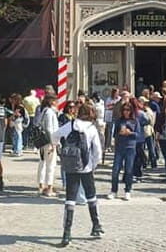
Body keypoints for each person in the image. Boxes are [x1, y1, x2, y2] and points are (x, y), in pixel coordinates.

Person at [52, 101, 103, 247]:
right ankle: (96, 225)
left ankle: (67, 233)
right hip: (86, 167)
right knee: (91, 196)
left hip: (71, 166)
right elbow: (97, 151)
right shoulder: (91, 128)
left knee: (70, 199)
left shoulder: (70, 124)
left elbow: (54, 136)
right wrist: (93, 165)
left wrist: (60, 148)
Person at [109, 99, 139, 200]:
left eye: (128, 110)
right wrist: (120, 133)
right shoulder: (119, 121)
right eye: (124, 110)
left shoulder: (135, 121)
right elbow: (114, 134)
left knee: (129, 170)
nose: (126, 111)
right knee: (115, 170)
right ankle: (114, 190)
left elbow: (138, 135)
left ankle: (128, 190)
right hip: (120, 147)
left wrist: (130, 133)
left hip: (130, 148)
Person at [36, 94, 59, 196]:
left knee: (42, 163)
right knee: (51, 165)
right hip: (48, 142)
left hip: (42, 141)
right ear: (52, 102)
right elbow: (49, 128)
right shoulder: (50, 112)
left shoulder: (43, 111)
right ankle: (49, 187)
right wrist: (53, 142)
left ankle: (41, 185)